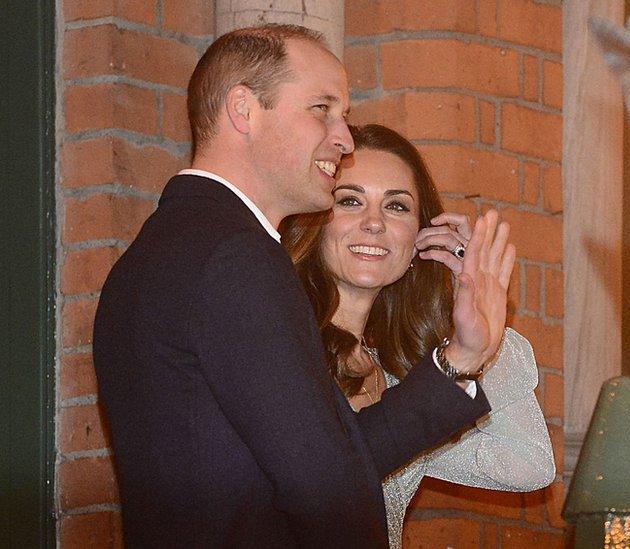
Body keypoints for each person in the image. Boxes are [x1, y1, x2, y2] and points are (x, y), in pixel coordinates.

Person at [93, 24, 515, 547]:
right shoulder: (235, 256)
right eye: (323, 110)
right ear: (243, 110)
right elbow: (329, 498)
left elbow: (326, 461)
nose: (342, 138)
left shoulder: (170, 246)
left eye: (344, 117)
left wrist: (460, 357)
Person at [280, 124, 555, 547]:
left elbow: (529, 464)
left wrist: (468, 313)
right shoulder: (280, 347)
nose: (374, 223)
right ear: (315, 221)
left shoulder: (399, 381)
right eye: (350, 201)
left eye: (396, 207)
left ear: (419, 241)